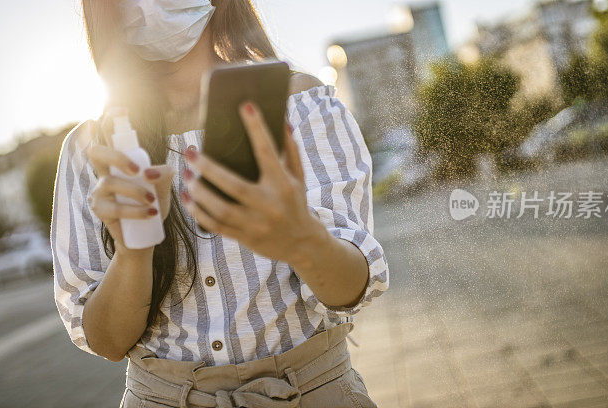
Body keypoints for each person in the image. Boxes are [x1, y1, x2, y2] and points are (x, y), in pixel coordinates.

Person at [52, 1, 389, 406]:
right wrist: (133, 251)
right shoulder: (92, 149)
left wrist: (301, 239)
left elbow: (352, 289)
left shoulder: (302, 105)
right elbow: (108, 342)